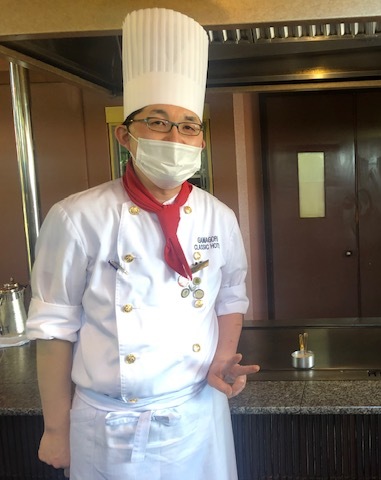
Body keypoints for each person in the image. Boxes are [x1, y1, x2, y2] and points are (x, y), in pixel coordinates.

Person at [26, 8, 258, 480]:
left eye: (189, 125)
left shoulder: (218, 216)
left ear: (200, 141)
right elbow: (53, 329)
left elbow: (230, 295)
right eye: (158, 121)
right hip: (110, 423)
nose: (175, 136)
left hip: (198, 414)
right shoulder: (76, 217)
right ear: (125, 136)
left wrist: (221, 360)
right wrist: (56, 429)